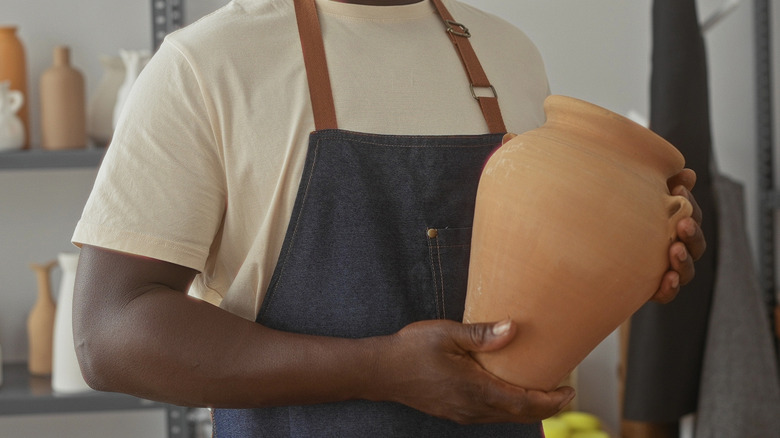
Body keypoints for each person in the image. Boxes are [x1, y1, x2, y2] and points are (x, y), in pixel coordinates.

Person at [71, 0, 706, 436]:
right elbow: (111, 333)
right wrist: (379, 369)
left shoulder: (508, 54)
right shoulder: (207, 64)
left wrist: (637, 244)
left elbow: (545, 269)